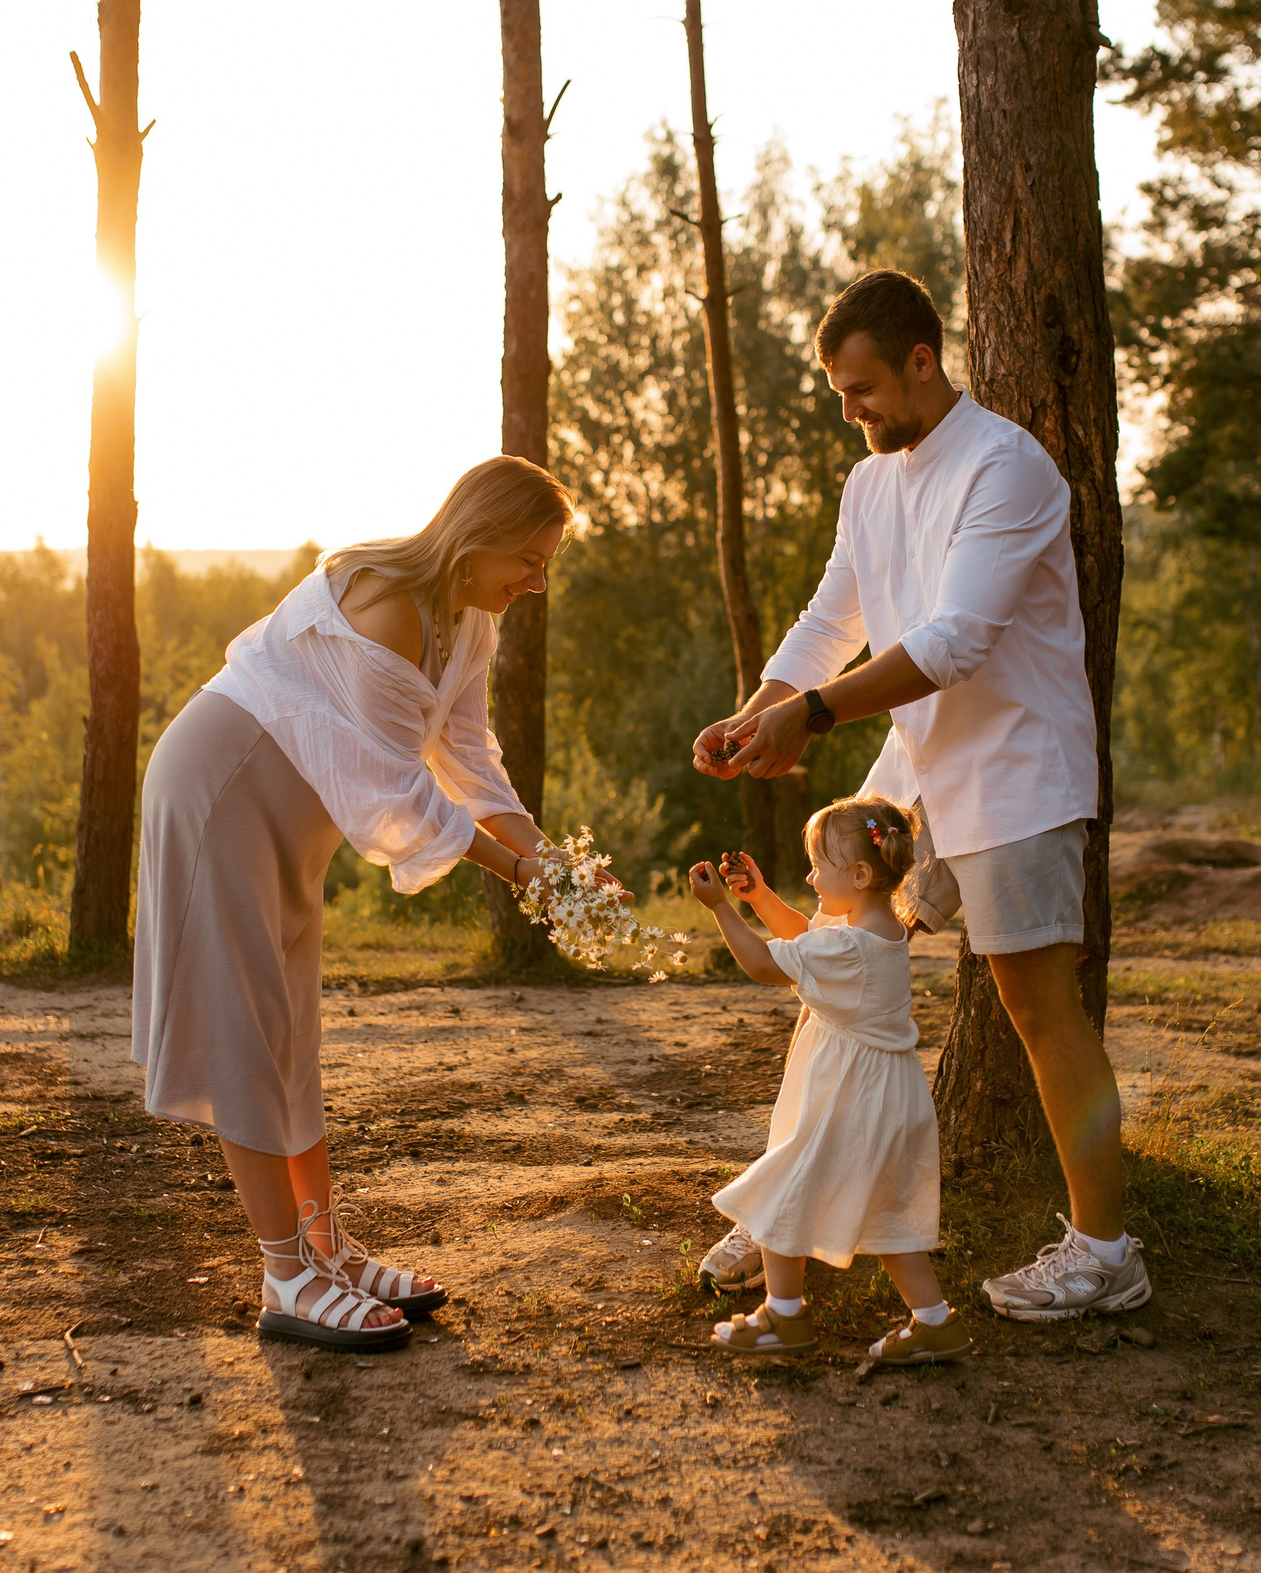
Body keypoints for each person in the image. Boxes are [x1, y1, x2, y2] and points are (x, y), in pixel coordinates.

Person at [691, 269, 1150, 1322]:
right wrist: (755, 712)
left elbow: (955, 642)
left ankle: (1104, 1254)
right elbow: (828, 622)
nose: (850, 411)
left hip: (1014, 771)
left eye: (861, 390)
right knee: (834, 982)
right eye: (838, 395)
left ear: (921, 360)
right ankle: (788, 1209)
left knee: (1038, 1010)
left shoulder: (1006, 466)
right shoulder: (869, 484)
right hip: (911, 770)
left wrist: (810, 718)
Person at [132, 456, 577, 1352]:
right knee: (246, 1027)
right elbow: (400, 790)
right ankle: (286, 1274)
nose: (538, 582)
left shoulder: (469, 623)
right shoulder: (386, 607)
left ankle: (325, 1249)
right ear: (479, 537)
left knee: (292, 1031)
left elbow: (469, 758)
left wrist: (556, 866)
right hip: (224, 786)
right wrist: (516, 873)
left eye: (547, 564)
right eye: (529, 560)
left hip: (293, 819)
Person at [686, 797, 968, 1366]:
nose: (811, 878)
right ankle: (936, 1323)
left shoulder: (851, 946)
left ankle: (784, 1317)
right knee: (887, 1217)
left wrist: (721, 908)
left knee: (780, 1192)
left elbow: (765, 964)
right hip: (885, 1097)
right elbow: (803, 939)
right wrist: (759, 897)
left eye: (818, 867)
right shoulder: (873, 928)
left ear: (860, 875)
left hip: (849, 1098)